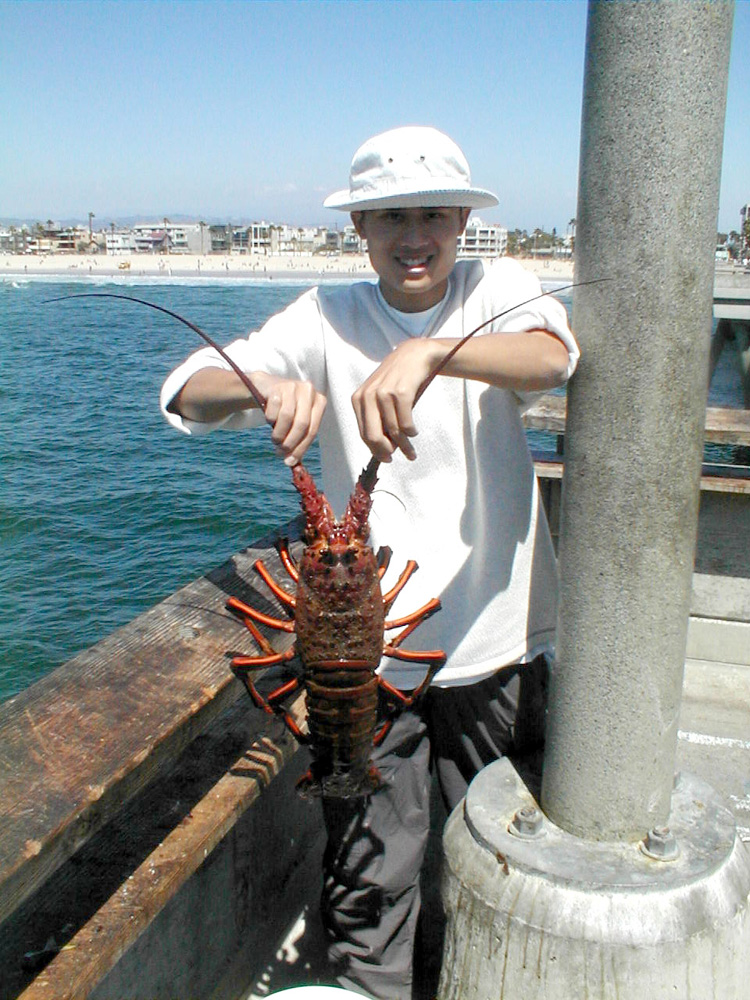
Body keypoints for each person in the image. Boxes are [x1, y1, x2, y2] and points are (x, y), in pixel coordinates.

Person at [161, 126, 579, 1000]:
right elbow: (187, 389)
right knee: (373, 874)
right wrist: (264, 385)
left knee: (493, 856)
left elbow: (552, 355)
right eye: (390, 216)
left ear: (464, 221)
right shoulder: (324, 316)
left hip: (493, 642)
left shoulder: (496, 289)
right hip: (369, 673)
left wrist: (433, 352)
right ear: (360, 229)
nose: (414, 234)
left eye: (433, 213)